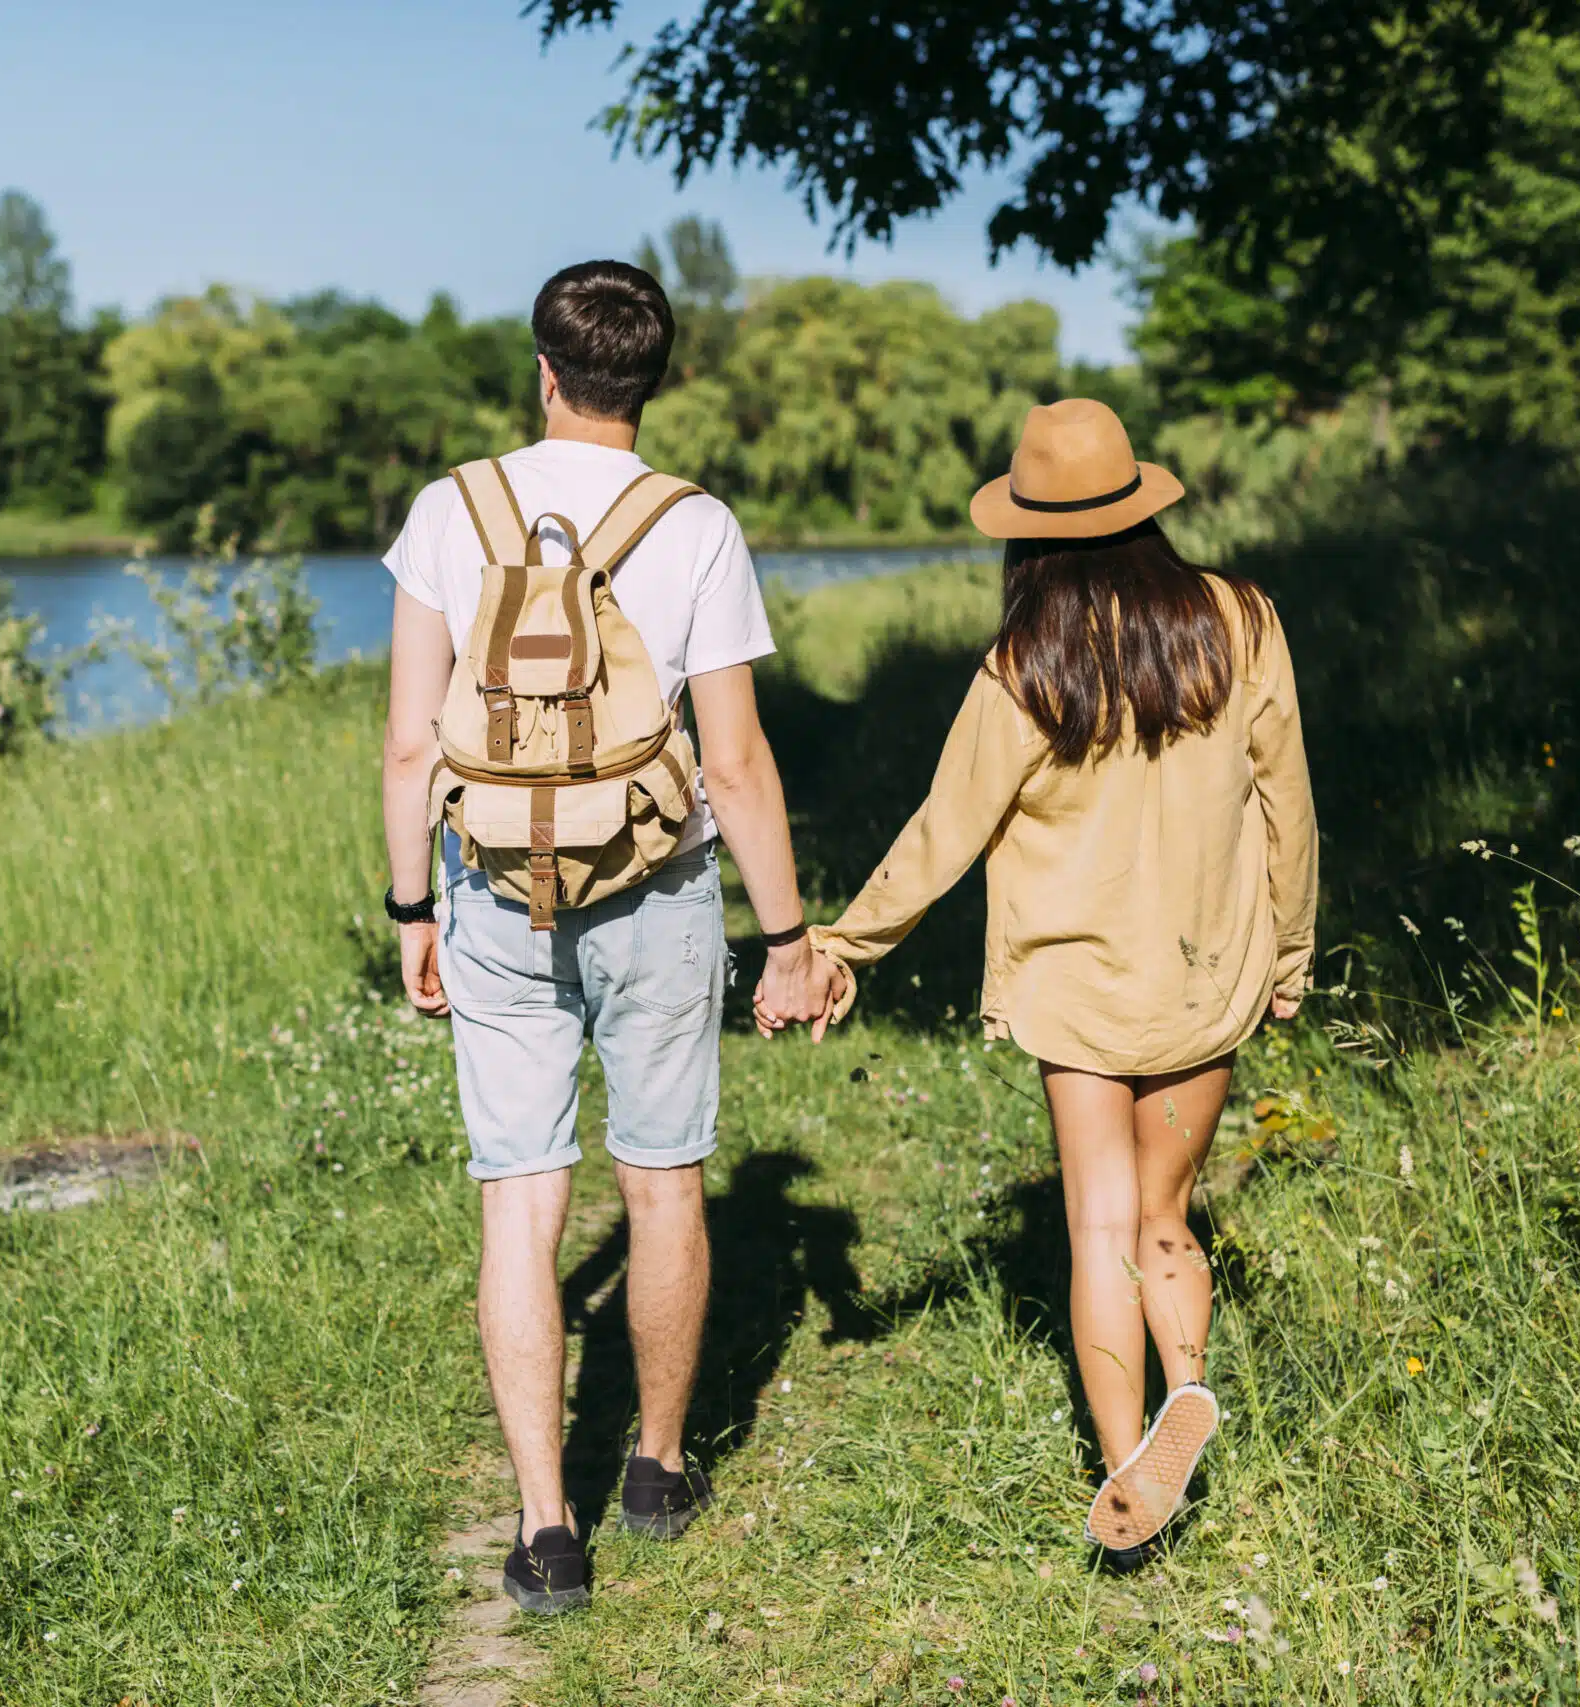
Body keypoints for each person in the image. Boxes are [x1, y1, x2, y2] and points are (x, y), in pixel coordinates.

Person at [785, 398, 1318, 1568]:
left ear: (1026, 533)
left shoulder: (1027, 664)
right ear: (1140, 503)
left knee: (1098, 1226)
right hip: (1204, 973)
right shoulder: (1239, 621)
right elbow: (1288, 795)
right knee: (1166, 1214)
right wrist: (1289, 950)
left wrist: (844, 945)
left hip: (1079, 992)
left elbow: (945, 829)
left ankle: (1127, 1470)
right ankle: (1188, 1385)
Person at [379, 259, 837, 1615]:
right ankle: (657, 1467)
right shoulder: (693, 524)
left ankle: (544, 1526)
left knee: (523, 1199)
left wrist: (412, 908)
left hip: (489, 893)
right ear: (654, 378)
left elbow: (409, 743)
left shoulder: (450, 511)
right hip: (657, 886)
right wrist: (787, 937)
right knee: (663, 1181)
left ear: (544, 370)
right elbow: (734, 762)